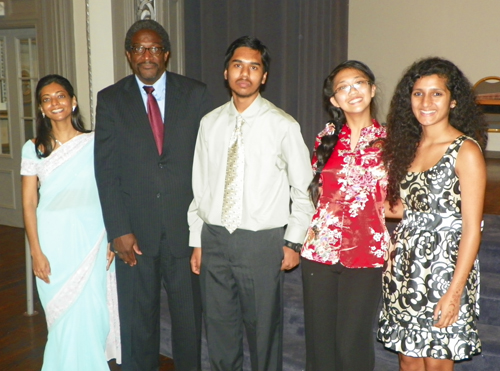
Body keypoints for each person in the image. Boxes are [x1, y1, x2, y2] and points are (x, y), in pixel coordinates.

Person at [188, 36, 314, 371]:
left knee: (264, 333)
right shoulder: (209, 123)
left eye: (254, 67)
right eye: (237, 65)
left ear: (264, 76)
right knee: (219, 331)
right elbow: (199, 187)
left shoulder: (283, 125)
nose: (245, 73)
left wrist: (293, 241)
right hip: (214, 238)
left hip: (262, 243)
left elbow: (303, 190)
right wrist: (196, 240)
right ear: (226, 72)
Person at [94, 20, 212, 371]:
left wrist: (202, 233)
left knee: (189, 327)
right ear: (129, 54)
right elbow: (107, 171)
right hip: (135, 237)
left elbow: (209, 165)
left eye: (155, 48)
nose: (148, 55)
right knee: (137, 328)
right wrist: (118, 231)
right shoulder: (111, 100)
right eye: (140, 49)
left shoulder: (196, 94)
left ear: (167, 53)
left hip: (185, 234)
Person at [378, 57, 488, 371]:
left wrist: (454, 293)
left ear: (453, 100)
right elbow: (407, 208)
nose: (426, 102)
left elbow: (471, 229)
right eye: (418, 93)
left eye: (436, 93)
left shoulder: (465, 150)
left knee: (437, 361)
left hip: (444, 268)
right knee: (408, 359)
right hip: (405, 267)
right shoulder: (407, 146)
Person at [21, 74, 120, 370]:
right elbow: (28, 202)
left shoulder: (95, 142)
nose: (55, 103)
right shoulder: (34, 148)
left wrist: (114, 236)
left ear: (73, 101)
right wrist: (35, 251)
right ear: (41, 108)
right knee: (61, 319)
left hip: (93, 239)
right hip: (54, 243)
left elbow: (110, 190)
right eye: (47, 99)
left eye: (61, 96)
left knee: (92, 315)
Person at [300, 60, 390, 371]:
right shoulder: (325, 137)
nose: (352, 91)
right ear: (334, 100)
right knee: (319, 343)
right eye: (343, 87)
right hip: (319, 252)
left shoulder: (390, 142)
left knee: (353, 343)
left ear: (372, 89)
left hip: (366, 252)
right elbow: (316, 191)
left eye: (359, 83)